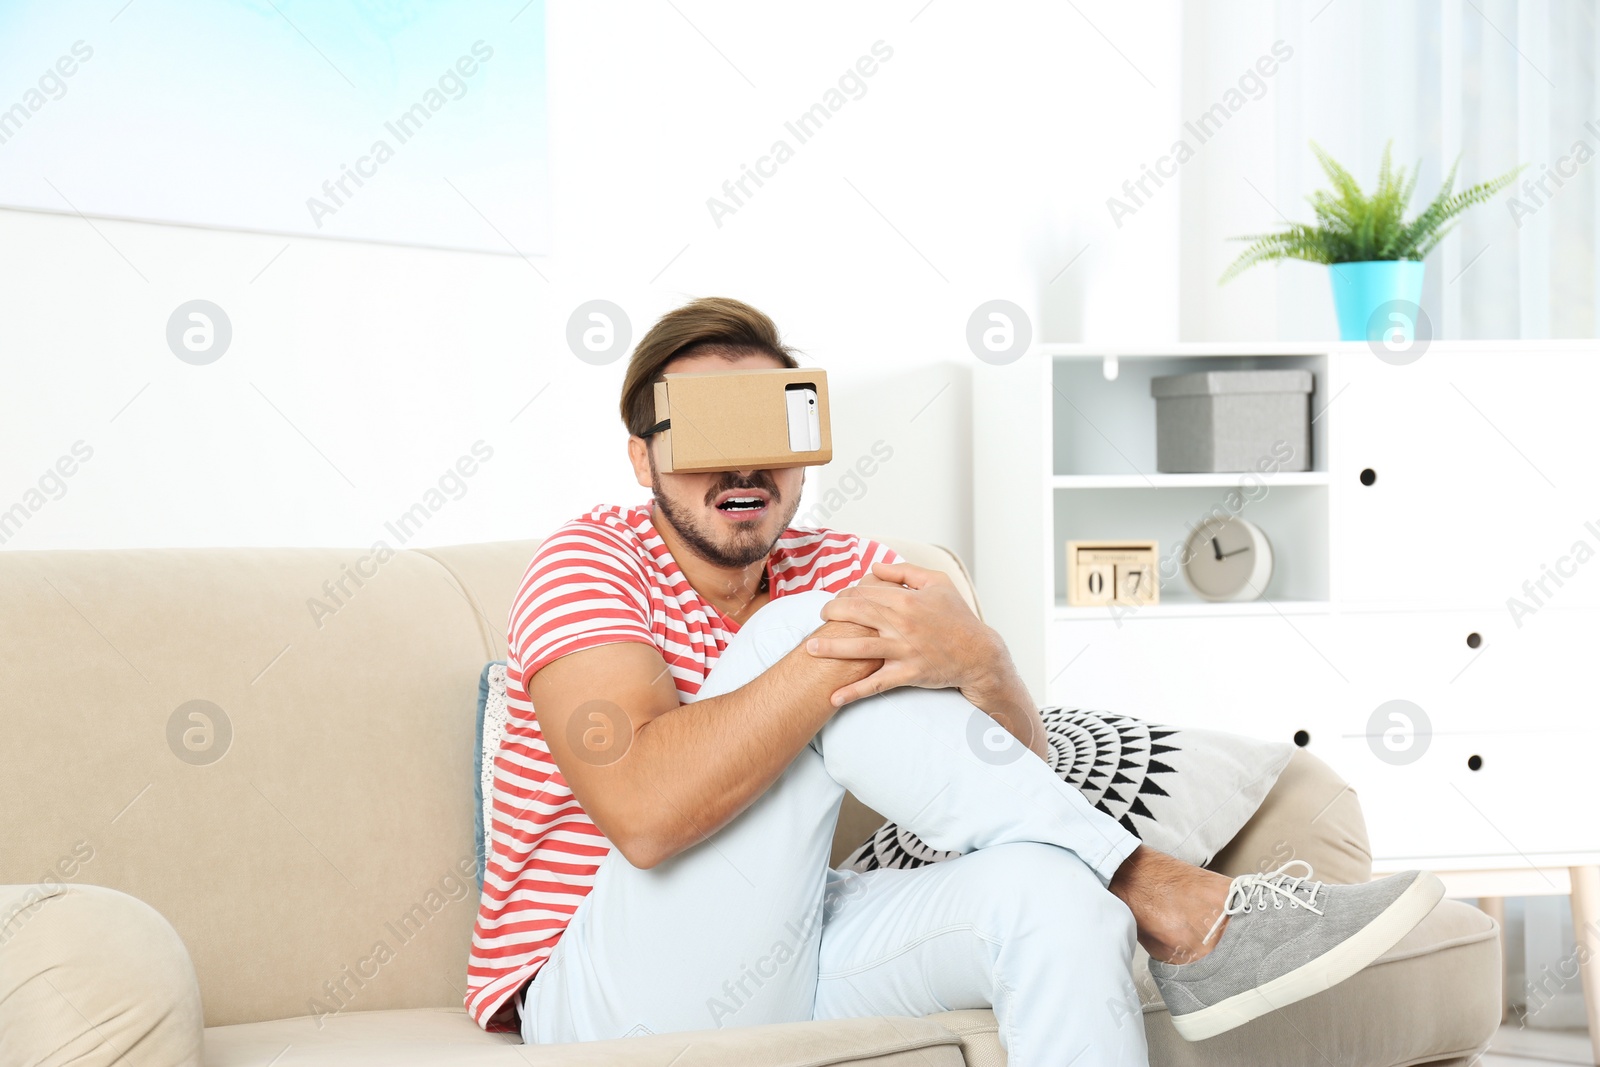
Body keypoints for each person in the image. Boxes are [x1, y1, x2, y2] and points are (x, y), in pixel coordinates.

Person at [465, 297, 1443, 1064]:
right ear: (643, 454)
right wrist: (819, 646)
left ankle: (1126, 890)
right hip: (601, 985)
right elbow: (640, 810)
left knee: (1056, 895)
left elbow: (1005, 786)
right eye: (703, 431)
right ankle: (1163, 889)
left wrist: (984, 659)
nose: (742, 463)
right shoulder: (589, 560)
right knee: (816, 621)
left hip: (798, 933)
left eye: (770, 424)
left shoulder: (858, 559)